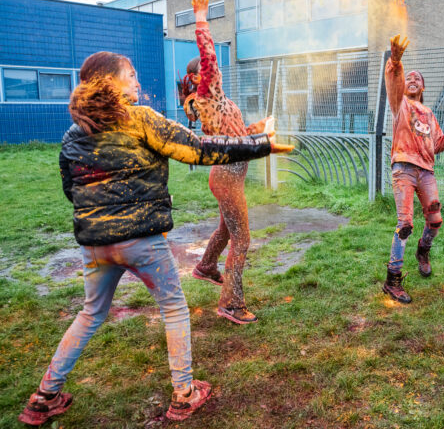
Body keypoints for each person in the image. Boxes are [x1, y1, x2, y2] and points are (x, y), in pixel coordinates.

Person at [19, 51, 291, 426]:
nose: (137, 82)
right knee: (174, 307)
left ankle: (43, 397)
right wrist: (262, 144)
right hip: (141, 239)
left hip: (95, 244)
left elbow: (72, 190)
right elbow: (199, 148)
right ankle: (184, 394)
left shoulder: (71, 135)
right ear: (109, 82)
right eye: (130, 75)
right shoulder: (140, 119)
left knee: (91, 313)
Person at [180, 0, 284, 325]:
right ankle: (232, 304)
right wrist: (200, 18)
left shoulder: (216, 100)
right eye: (210, 70)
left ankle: (206, 266)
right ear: (199, 78)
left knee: (228, 230)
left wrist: (261, 127)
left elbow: (237, 138)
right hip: (226, 176)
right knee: (242, 238)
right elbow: (208, 54)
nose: (217, 71)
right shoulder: (207, 93)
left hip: (229, 172)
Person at [382, 34, 444, 303]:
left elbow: (435, 144)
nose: (413, 80)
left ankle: (423, 251)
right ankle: (392, 280)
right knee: (405, 224)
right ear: (404, 86)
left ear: (424, 86)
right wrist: (395, 61)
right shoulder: (399, 105)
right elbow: (393, 82)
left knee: (435, 220)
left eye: (418, 78)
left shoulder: (428, 113)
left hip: (426, 171)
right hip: (404, 167)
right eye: (409, 78)